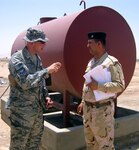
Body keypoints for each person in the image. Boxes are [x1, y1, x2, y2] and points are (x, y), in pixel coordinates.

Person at [7, 27, 61, 150]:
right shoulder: (17, 59)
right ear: (32, 43)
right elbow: (25, 82)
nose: (45, 44)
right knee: (18, 147)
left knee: (34, 146)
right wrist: (47, 70)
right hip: (22, 114)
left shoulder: (37, 58)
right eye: (41, 42)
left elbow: (40, 82)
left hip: (37, 113)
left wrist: (46, 96)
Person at [77, 32, 125, 150]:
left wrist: (99, 86)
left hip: (102, 111)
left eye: (90, 43)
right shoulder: (91, 62)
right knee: (91, 145)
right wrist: (83, 101)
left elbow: (120, 85)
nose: (87, 45)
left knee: (105, 146)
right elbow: (87, 83)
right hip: (88, 111)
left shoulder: (111, 63)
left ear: (99, 44)